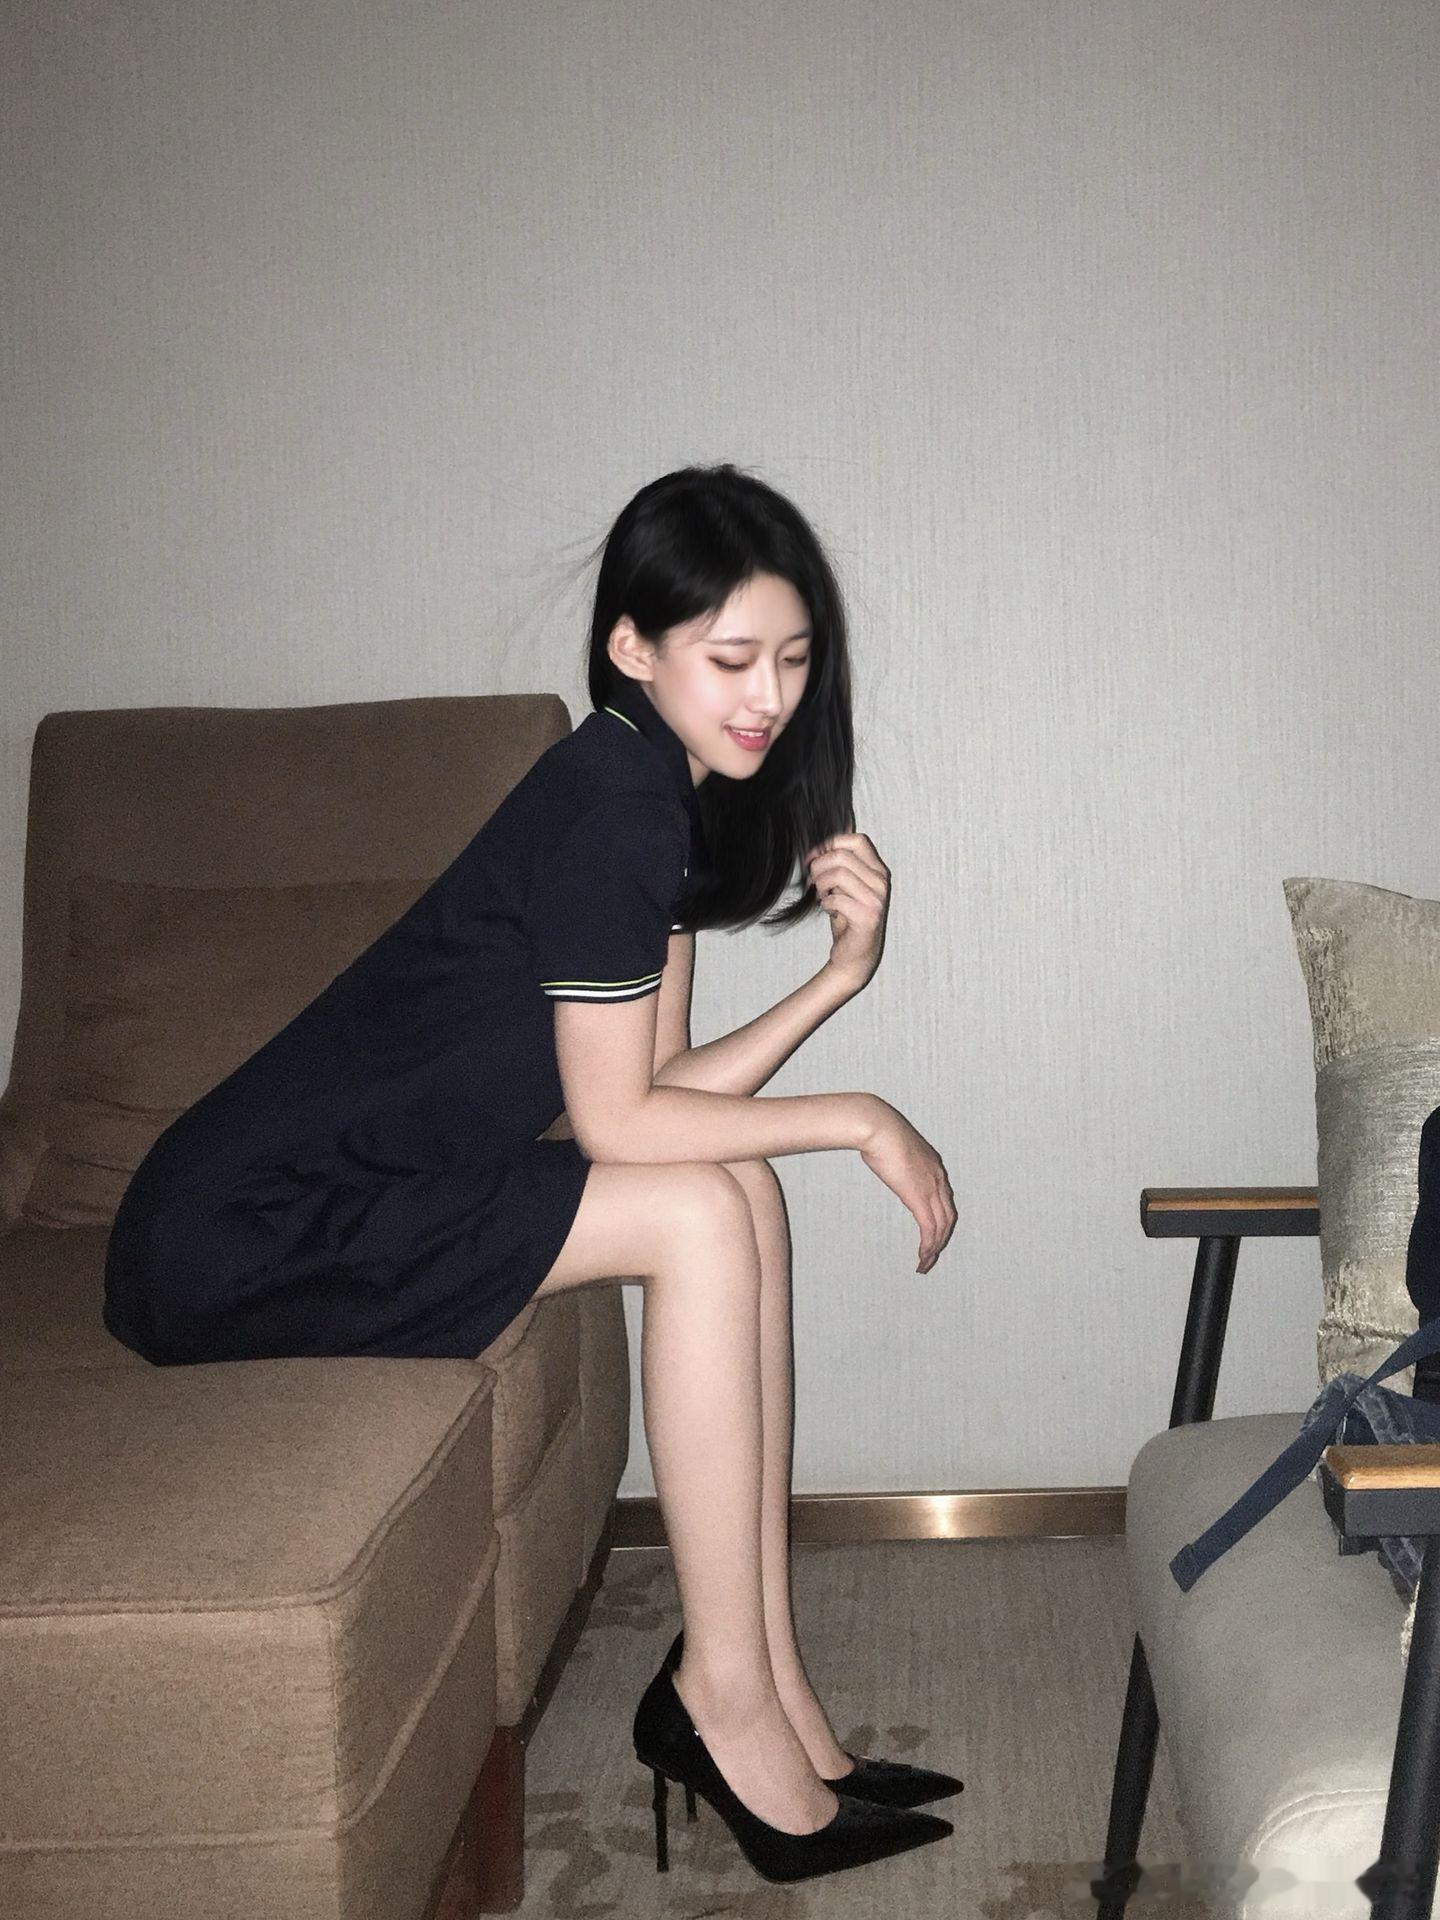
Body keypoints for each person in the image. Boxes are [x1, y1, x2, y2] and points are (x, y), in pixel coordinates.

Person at [102, 462, 960, 1883]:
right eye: (731, 658)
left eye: (794, 659)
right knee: (705, 1209)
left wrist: (840, 978)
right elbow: (623, 1130)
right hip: (235, 1233)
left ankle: (769, 1681)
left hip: (326, 1200)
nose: (768, 696)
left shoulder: (649, 794)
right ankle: (719, 1695)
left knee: (737, 1187)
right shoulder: (614, 800)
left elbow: (663, 1095)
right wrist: (861, 1115)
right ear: (632, 645)